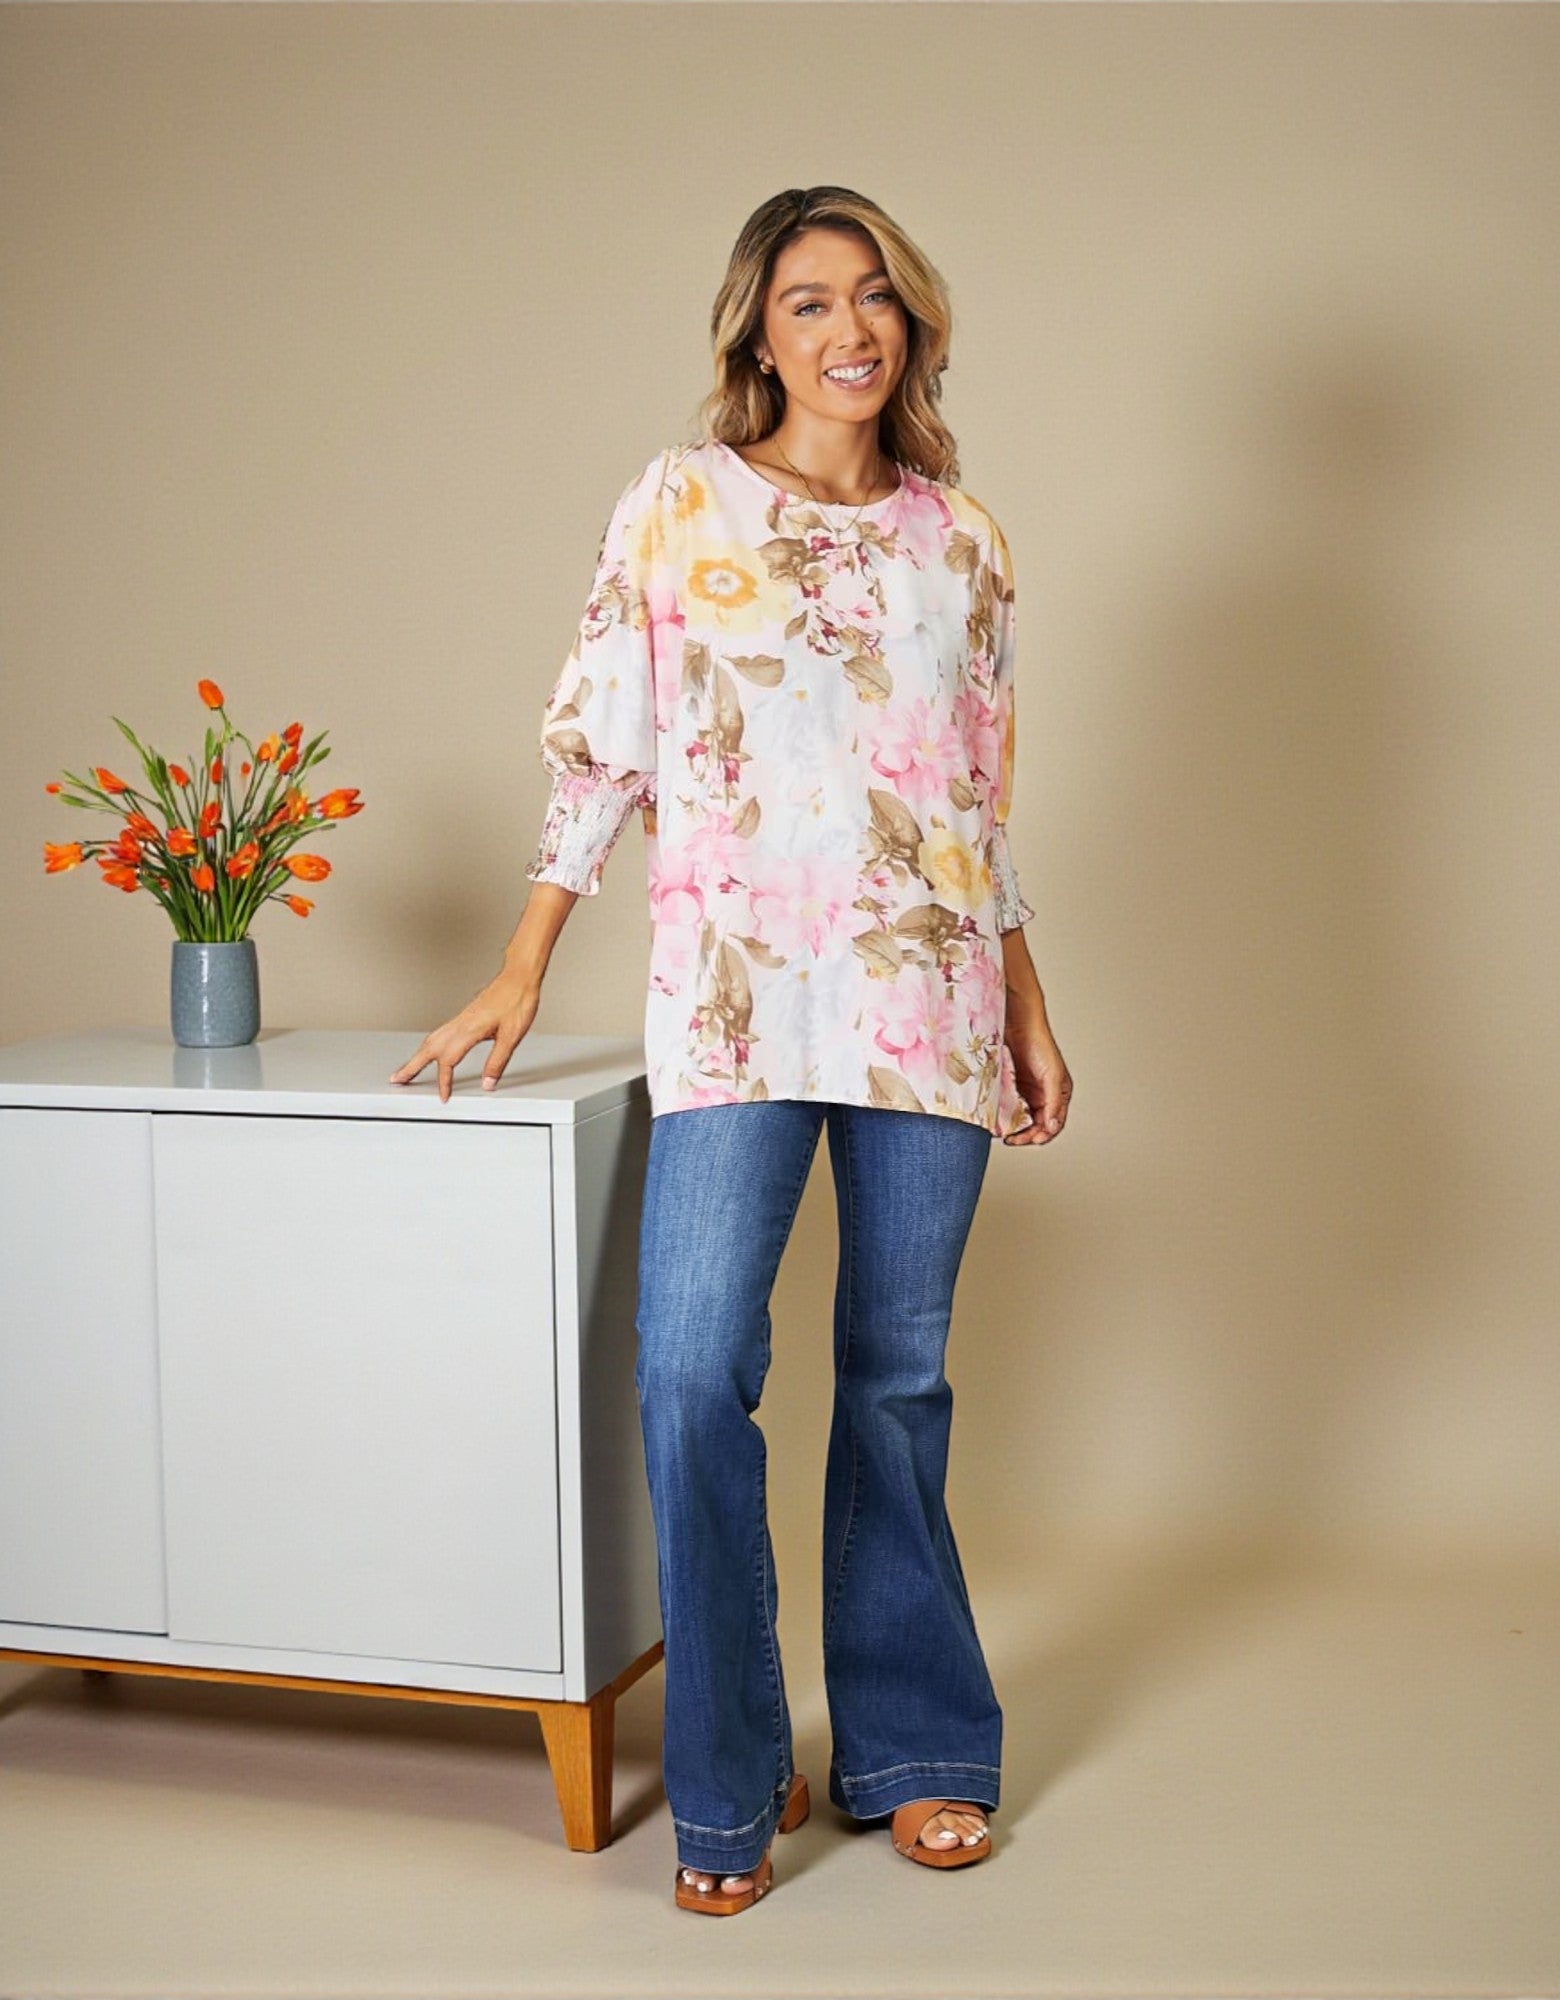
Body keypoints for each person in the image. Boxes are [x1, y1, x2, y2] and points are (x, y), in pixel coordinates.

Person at [389, 186, 1073, 1916]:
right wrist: (525, 958)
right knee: (695, 1366)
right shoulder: (678, 501)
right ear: (755, 336)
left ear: (911, 327)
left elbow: (974, 804)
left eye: (875, 302)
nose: (847, 331)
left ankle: (917, 1748)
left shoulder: (965, 540)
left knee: (898, 1379)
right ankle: (733, 1766)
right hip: (734, 999)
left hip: (928, 1004)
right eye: (805, 304)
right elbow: (604, 742)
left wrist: (1030, 1003)